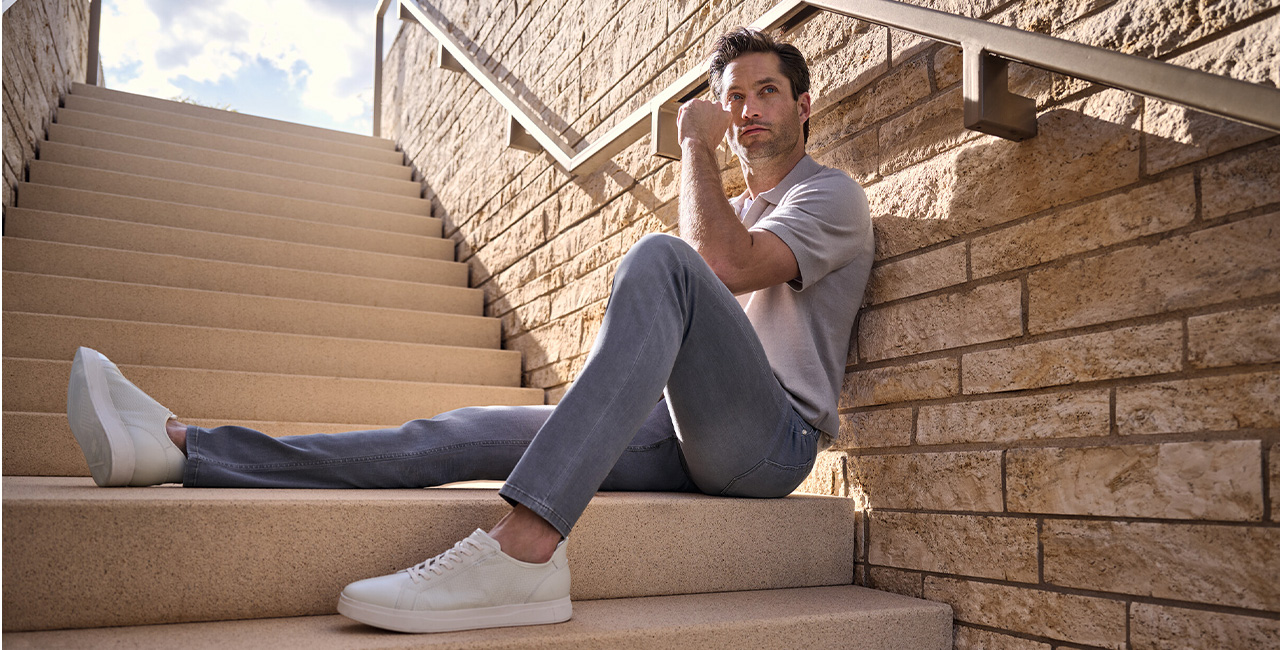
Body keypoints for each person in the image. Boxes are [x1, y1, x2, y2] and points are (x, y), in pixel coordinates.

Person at [64, 27, 873, 634]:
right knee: (459, 432)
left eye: (766, 92)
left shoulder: (831, 197)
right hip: (685, 431)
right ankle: (182, 448)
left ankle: (525, 548)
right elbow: (711, 264)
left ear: (802, 106)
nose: (745, 109)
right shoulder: (734, 207)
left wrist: (694, 146)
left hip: (769, 447)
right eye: (732, 97)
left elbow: (720, 263)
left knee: (660, 258)